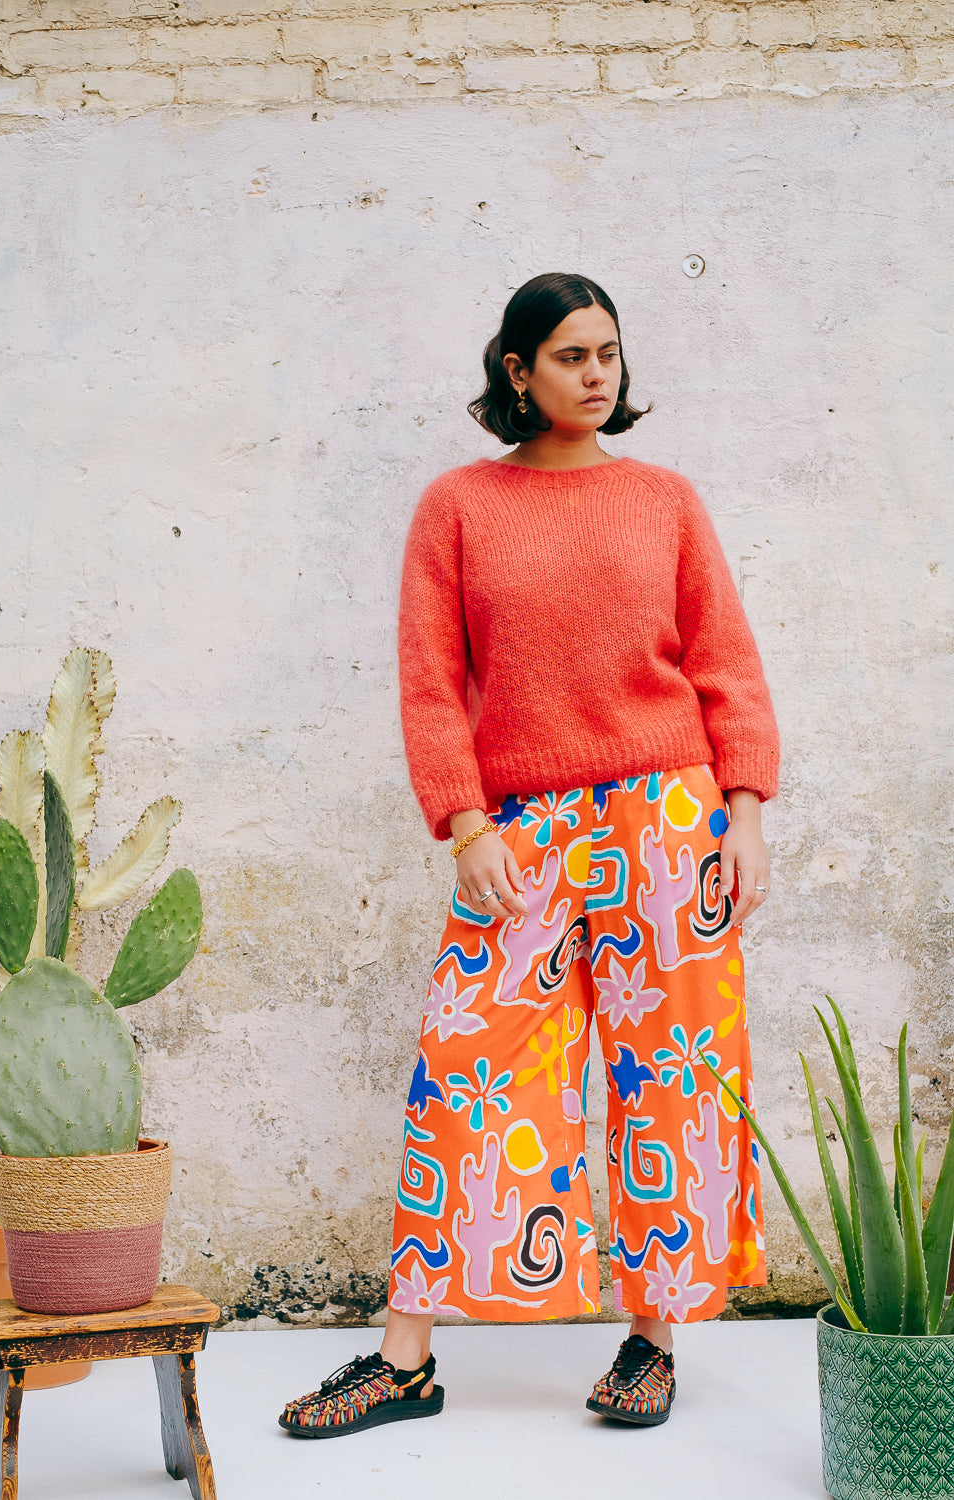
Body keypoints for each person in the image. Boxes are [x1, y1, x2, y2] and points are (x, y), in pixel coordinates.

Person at [279, 271, 778, 1438]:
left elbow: (727, 664)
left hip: (669, 821)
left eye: (608, 352)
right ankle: (404, 1360)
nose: (596, 373)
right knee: (467, 1076)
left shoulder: (663, 498)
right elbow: (429, 684)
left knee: (675, 1086)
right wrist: (464, 826)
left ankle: (654, 1340)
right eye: (568, 355)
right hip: (524, 834)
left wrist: (743, 818)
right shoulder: (457, 505)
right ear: (517, 371)